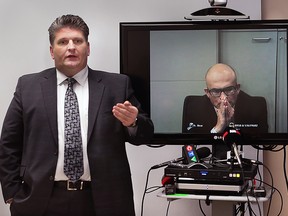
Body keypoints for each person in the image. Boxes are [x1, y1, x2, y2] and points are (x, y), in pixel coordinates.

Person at [0, 14, 154, 216]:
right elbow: (8, 144)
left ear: (88, 48)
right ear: (52, 51)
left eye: (77, 41)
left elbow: (146, 133)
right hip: (40, 201)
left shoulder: (116, 85)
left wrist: (133, 122)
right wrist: (12, 193)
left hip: (103, 201)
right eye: (63, 42)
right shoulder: (28, 86)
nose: (71, 47)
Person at [182, 63, 268, 159]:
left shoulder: (255, 106)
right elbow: (190, 147)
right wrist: (218, 127)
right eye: (216, 91)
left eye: (229, 89)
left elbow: (260, 143)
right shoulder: (194, 107)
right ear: (207, 93)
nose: (223, 98)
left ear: (237, 89)